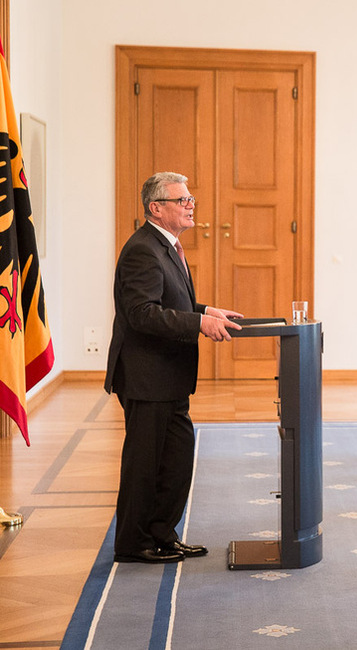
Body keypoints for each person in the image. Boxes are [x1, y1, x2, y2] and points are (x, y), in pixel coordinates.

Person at [106, 172, 243, 564]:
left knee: (176, 460)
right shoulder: (142, 250)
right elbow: (142, 314)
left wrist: (205, 310)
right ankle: (133, 544)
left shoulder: (166, 246)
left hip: (169, 377)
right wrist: (199, 324)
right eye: (182, 200)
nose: (190, 206)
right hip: (147, 377)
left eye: (190, 199)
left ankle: (163, 534)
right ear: (156, 208)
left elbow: (170, 303)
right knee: (145, 466)